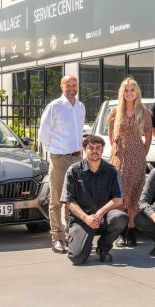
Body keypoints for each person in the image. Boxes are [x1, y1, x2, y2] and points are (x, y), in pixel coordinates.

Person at [61, 135, 128, 265]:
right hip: (81, 220)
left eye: (98, 148)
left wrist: (100, 213)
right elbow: (69, 201)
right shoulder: (73, 171)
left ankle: (103, 248)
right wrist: (86, 218)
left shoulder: (112, 171)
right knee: (77, 258)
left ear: (102, 150)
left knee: (121, 218)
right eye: (90, 148)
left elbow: (118, 199)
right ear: (84, 149)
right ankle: (82, 239)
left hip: (103, 217)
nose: (94, 151)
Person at [39, 74, 86, 254]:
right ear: (62, 86)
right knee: (57, 199)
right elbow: (43, 134)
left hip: (76, 158)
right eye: (68, 85)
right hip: (59, 158)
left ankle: (71, 235)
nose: (72, 88)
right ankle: (57, 238)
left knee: (73, 199)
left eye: (74, 85)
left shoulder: (80, 107)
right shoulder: (55, 107)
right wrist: (55, 152)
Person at [107, 77, 152, 247]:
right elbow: (112, 138)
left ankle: (131, 231)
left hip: (137, 158)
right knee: (120, 194)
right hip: (119, 158)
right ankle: (120, 232)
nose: (129, 93)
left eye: (132, 89)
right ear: (122, 93)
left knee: (134, 194)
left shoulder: (145, 113)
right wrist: (119, 152)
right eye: (126, 90)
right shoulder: (114, 112)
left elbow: (148, 137)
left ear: (137, 92)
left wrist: (141, 154)